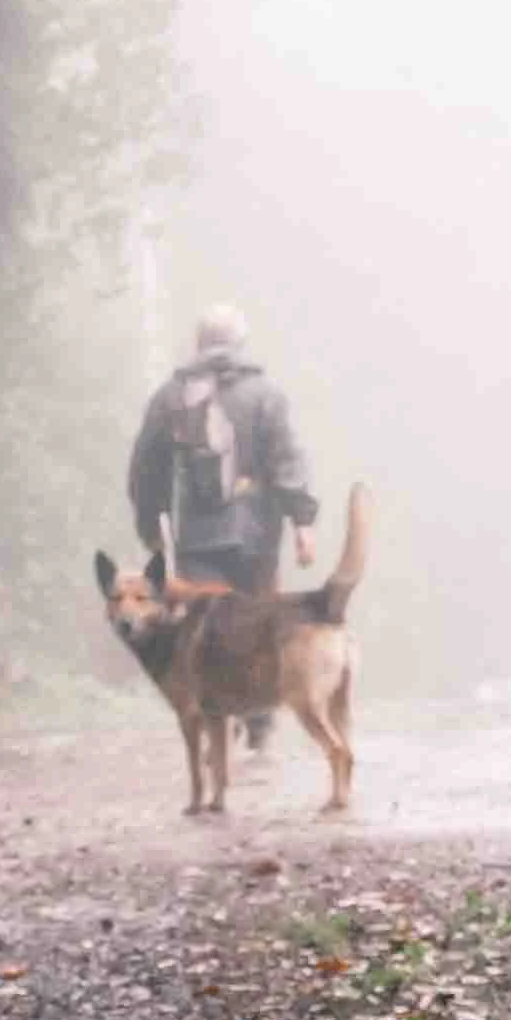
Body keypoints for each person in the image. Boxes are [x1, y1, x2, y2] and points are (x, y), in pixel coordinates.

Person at [126, 303, 319, 749]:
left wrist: (152, 526)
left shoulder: (171, 396)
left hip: (198, 536)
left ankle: (218, 715)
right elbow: (286, 458)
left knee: (205, 627)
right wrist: (302, 522)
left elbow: (146, 467)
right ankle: (260, 724)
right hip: (257, 535)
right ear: (239, 343)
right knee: (259, 623)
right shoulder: (266, 394)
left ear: (198, 343)